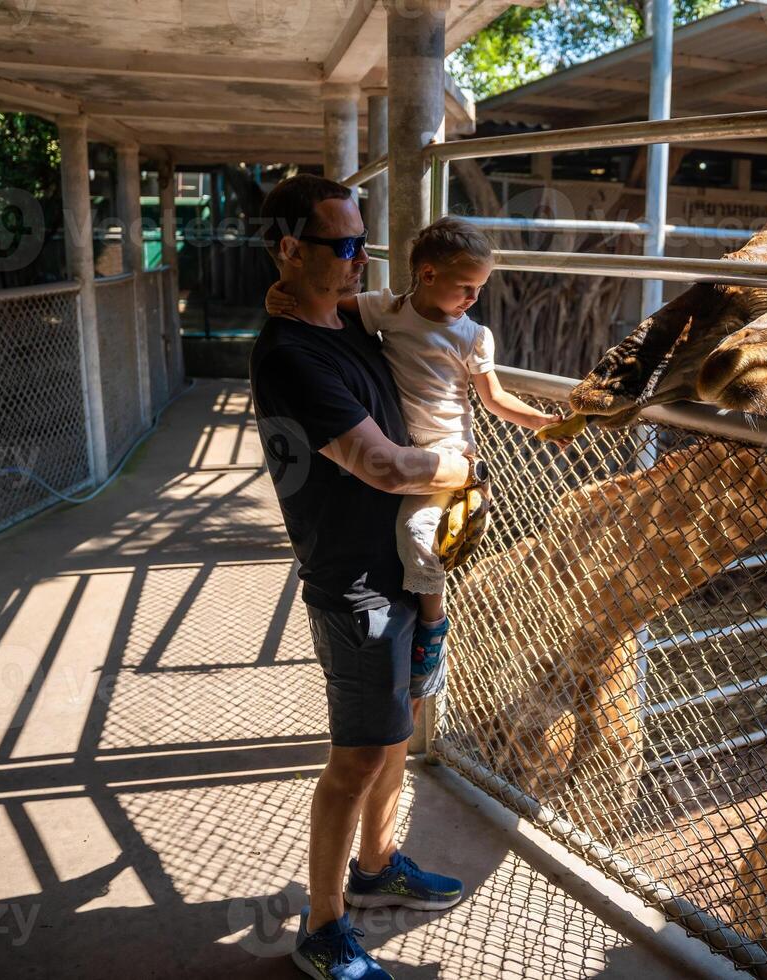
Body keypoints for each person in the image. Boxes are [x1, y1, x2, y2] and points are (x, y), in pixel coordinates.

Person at [248, 174, 479, 980]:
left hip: (407, 572)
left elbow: (417, 309)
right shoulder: (291, 356)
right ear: (288, 249)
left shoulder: (342, 317)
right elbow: (382, 467)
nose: (358, 261)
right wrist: (456, 466)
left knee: (395, 738)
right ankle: (322, 927)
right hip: (357, 586)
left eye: (362, 243)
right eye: (343, 246)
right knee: (356, 756)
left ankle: (378, 867)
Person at [266, 216, 567, 691]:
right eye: (466, 286)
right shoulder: (385, 309)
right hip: (401, 444)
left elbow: (494, 399)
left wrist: (542, 422)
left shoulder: (473, 335)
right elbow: (318, 306)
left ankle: (434, 627)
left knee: (415, 532)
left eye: (480, 288)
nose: (473, 299)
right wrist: (275, 295)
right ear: (428, 275)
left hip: (447, 450)